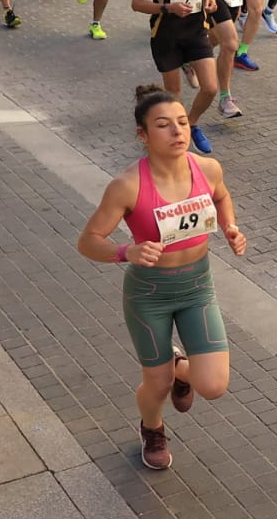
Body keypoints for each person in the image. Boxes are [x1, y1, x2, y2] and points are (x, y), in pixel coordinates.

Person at [75, 84, 246, 470]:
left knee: (214, 386)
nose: (178, 132)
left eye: (183, 123)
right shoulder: (127, 186)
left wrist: (230, 226)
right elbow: (87, 241)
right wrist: (125, 251)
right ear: (143, 135)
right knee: (158, 385)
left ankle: (180, 366)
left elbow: (221, 196)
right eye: (164, 125)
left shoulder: (207, 167)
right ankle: (152, 426)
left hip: (198, 287)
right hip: (149, 294)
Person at [131, 0, 219, 155]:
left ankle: (191, 123)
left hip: (196, 31)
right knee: (174, 94)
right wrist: (167, 7)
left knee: (211, 87)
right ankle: (174, 139)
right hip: (166, 34)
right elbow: (137, 3)